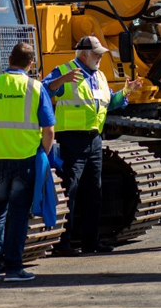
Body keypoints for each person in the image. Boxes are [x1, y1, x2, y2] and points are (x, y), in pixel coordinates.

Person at [42, 35, 141, 256]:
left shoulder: (100, 76)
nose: (100, 58)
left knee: (93, 192)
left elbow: (108, 103)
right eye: (97, 54)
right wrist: (63, 80)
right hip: (72, 139)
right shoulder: (65, 70)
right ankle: (62, 243)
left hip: (95, 138)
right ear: (84, 54)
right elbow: (43, 90)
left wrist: (126, 92)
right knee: (71, 190)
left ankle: (90, 241)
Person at [0, 42, 55, 282]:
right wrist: (44, 155)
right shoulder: (35, 87)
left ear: (9, 59)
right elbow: (49, 130)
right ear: (31, 63)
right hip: (25, 159)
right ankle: (14, 268)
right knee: (18, 214)